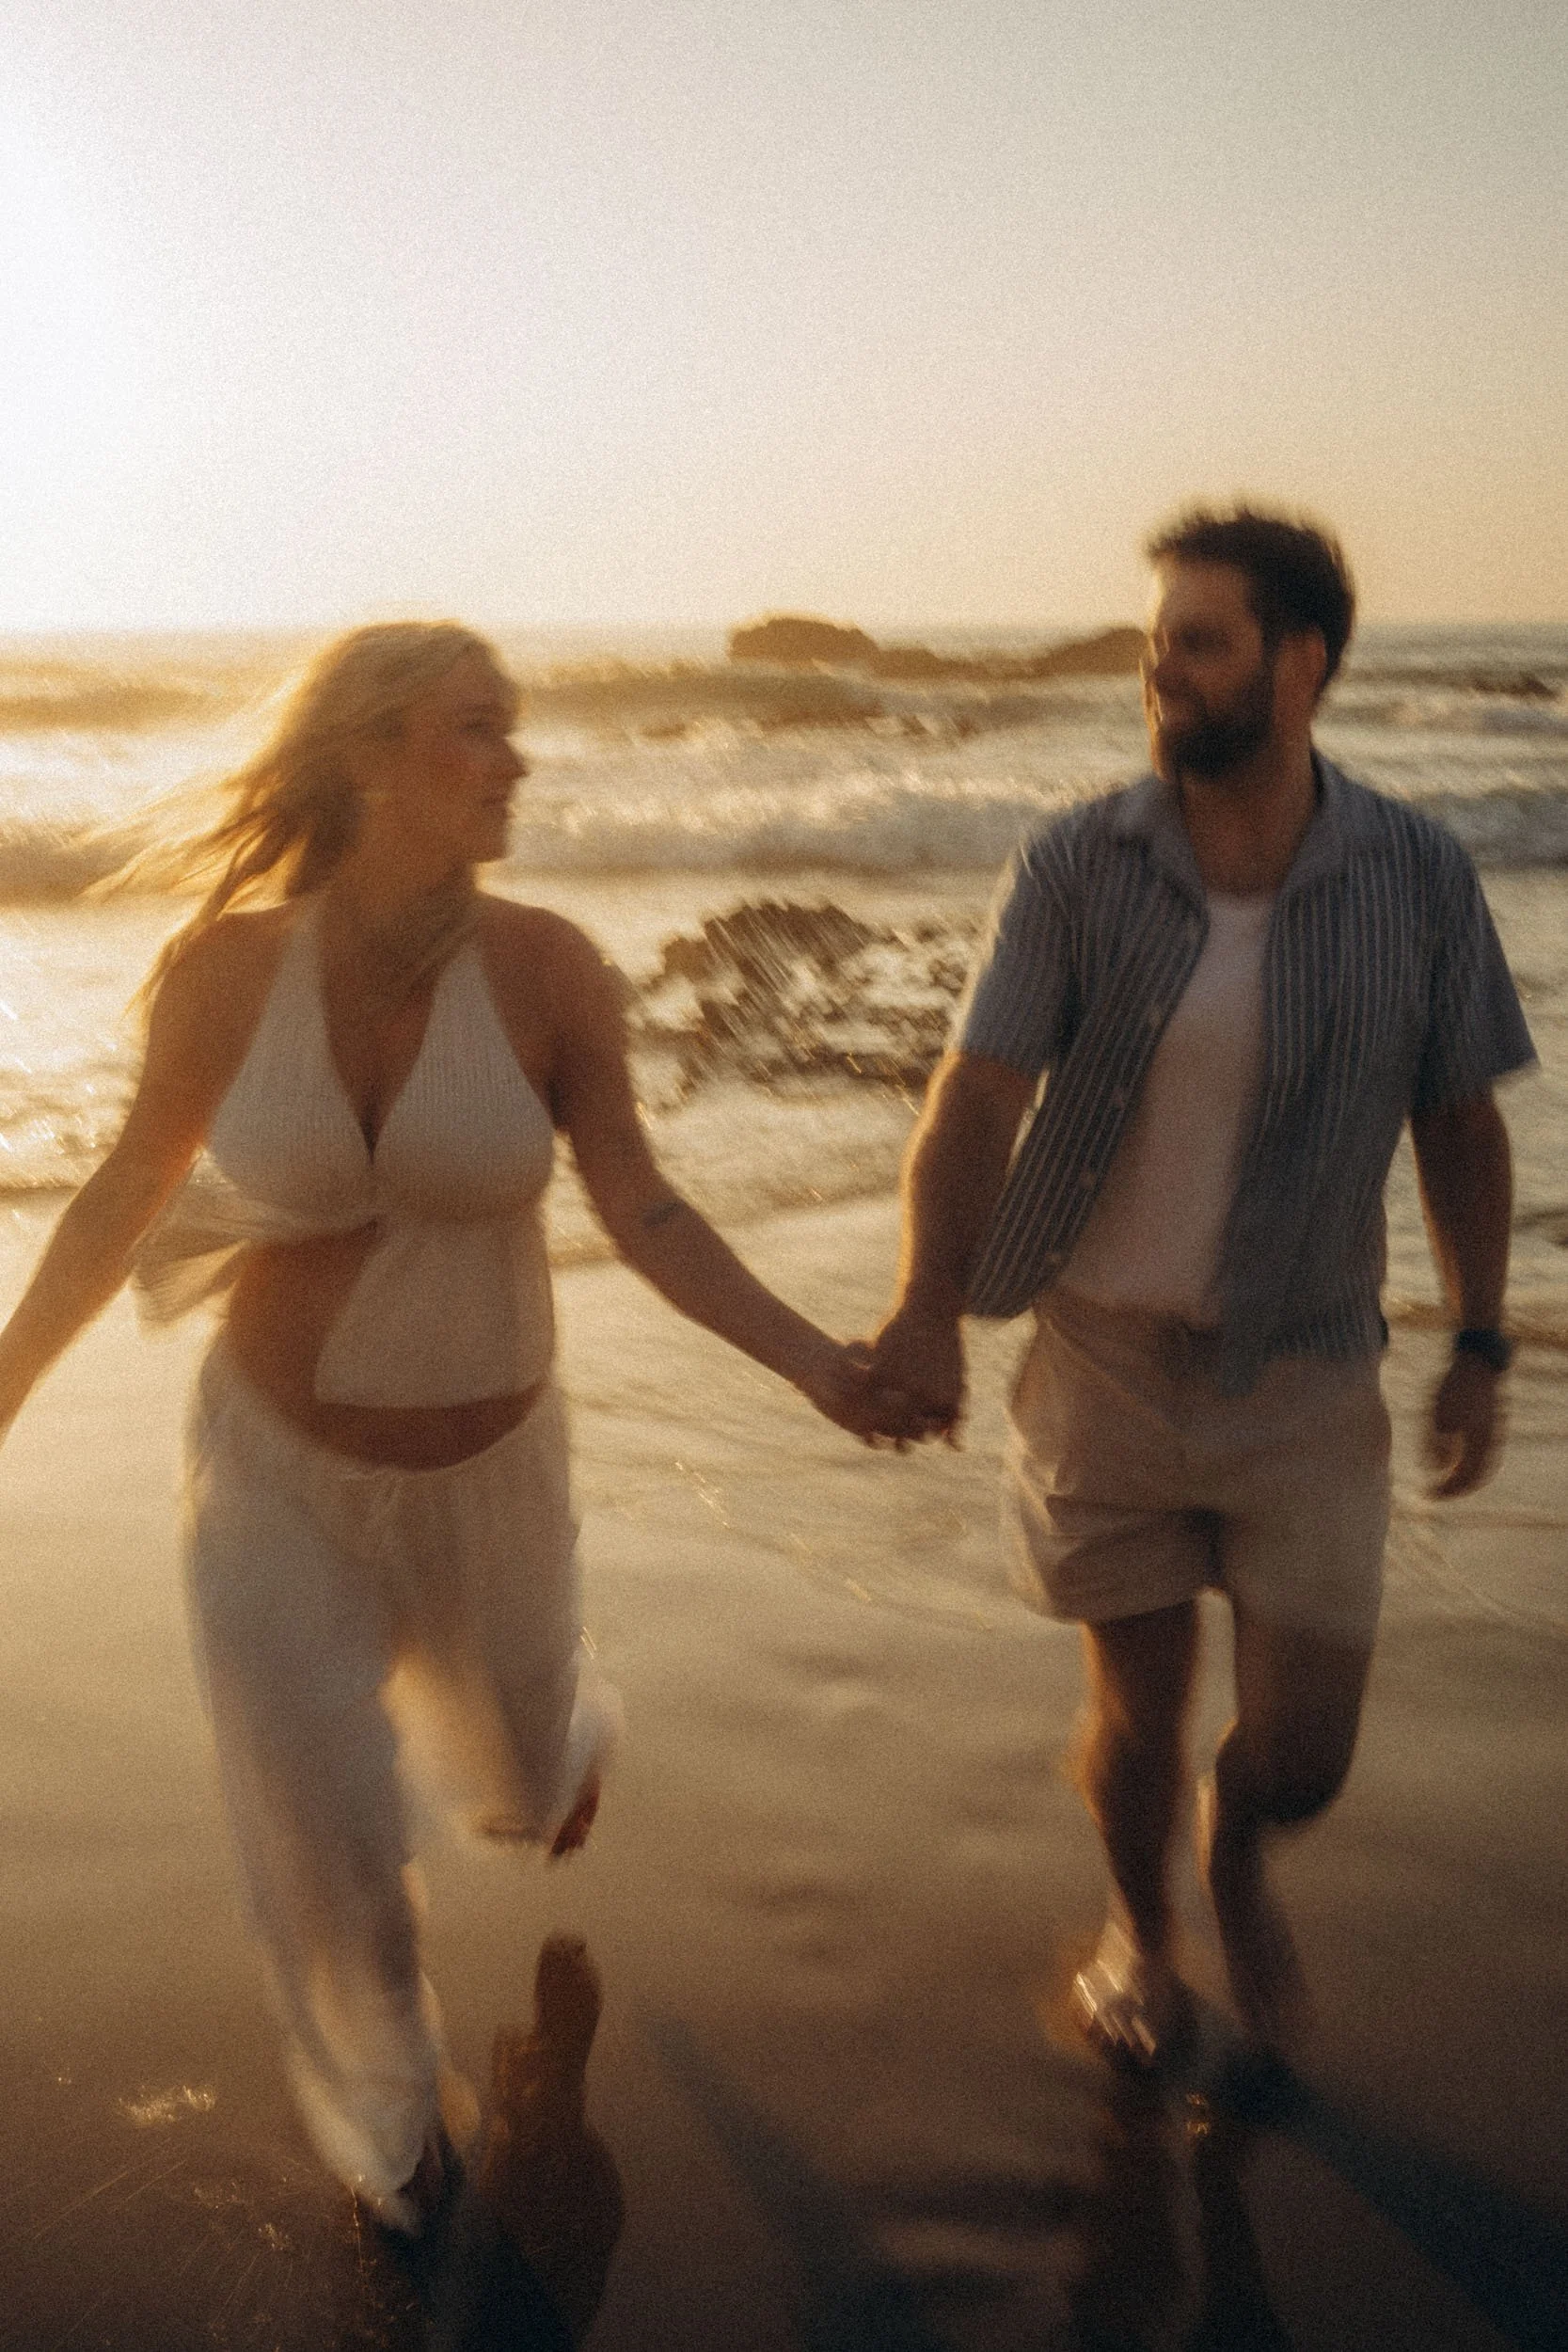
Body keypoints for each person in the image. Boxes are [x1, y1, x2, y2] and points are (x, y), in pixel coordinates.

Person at [0, 623, 901, 2233]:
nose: (518, 759)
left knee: (521, 1792)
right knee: (333, 1862)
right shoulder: (222, 974)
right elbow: (119, 1203)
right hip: (272, 1477)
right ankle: (405, 2152)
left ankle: (570, 1756)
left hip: (493, 1480)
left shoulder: (551, 971)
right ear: (369, 754)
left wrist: (813, 1362)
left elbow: (644, 1208)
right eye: (476, 729)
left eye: (517, 728)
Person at [863, 509, 1535, 2063]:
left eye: (1200, 642)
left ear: (1299, 667)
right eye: (1155, 640)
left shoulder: (1417, 875)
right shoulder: (1077, 863)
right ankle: (1143, 1941)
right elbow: (975, 1096)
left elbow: (1459, 1119)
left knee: (1300, 1752)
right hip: (1100, 1359)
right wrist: (922, 1307)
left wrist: (1480, 1343)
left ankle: (1243, 1852)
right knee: (1137, 1720)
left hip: (1305, 1372)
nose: (1158, 671)